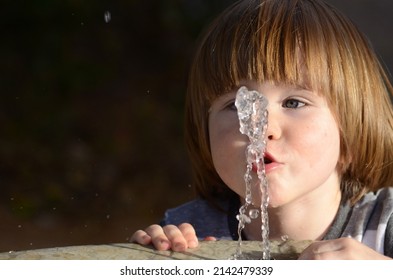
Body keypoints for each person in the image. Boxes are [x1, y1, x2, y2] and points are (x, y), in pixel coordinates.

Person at [131, 0, 393, 259]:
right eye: (237, 105)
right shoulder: (188, 234)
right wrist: (142, 261)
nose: (260, 128)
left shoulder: (384, 226)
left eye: (293, 102)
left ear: (350, 130)